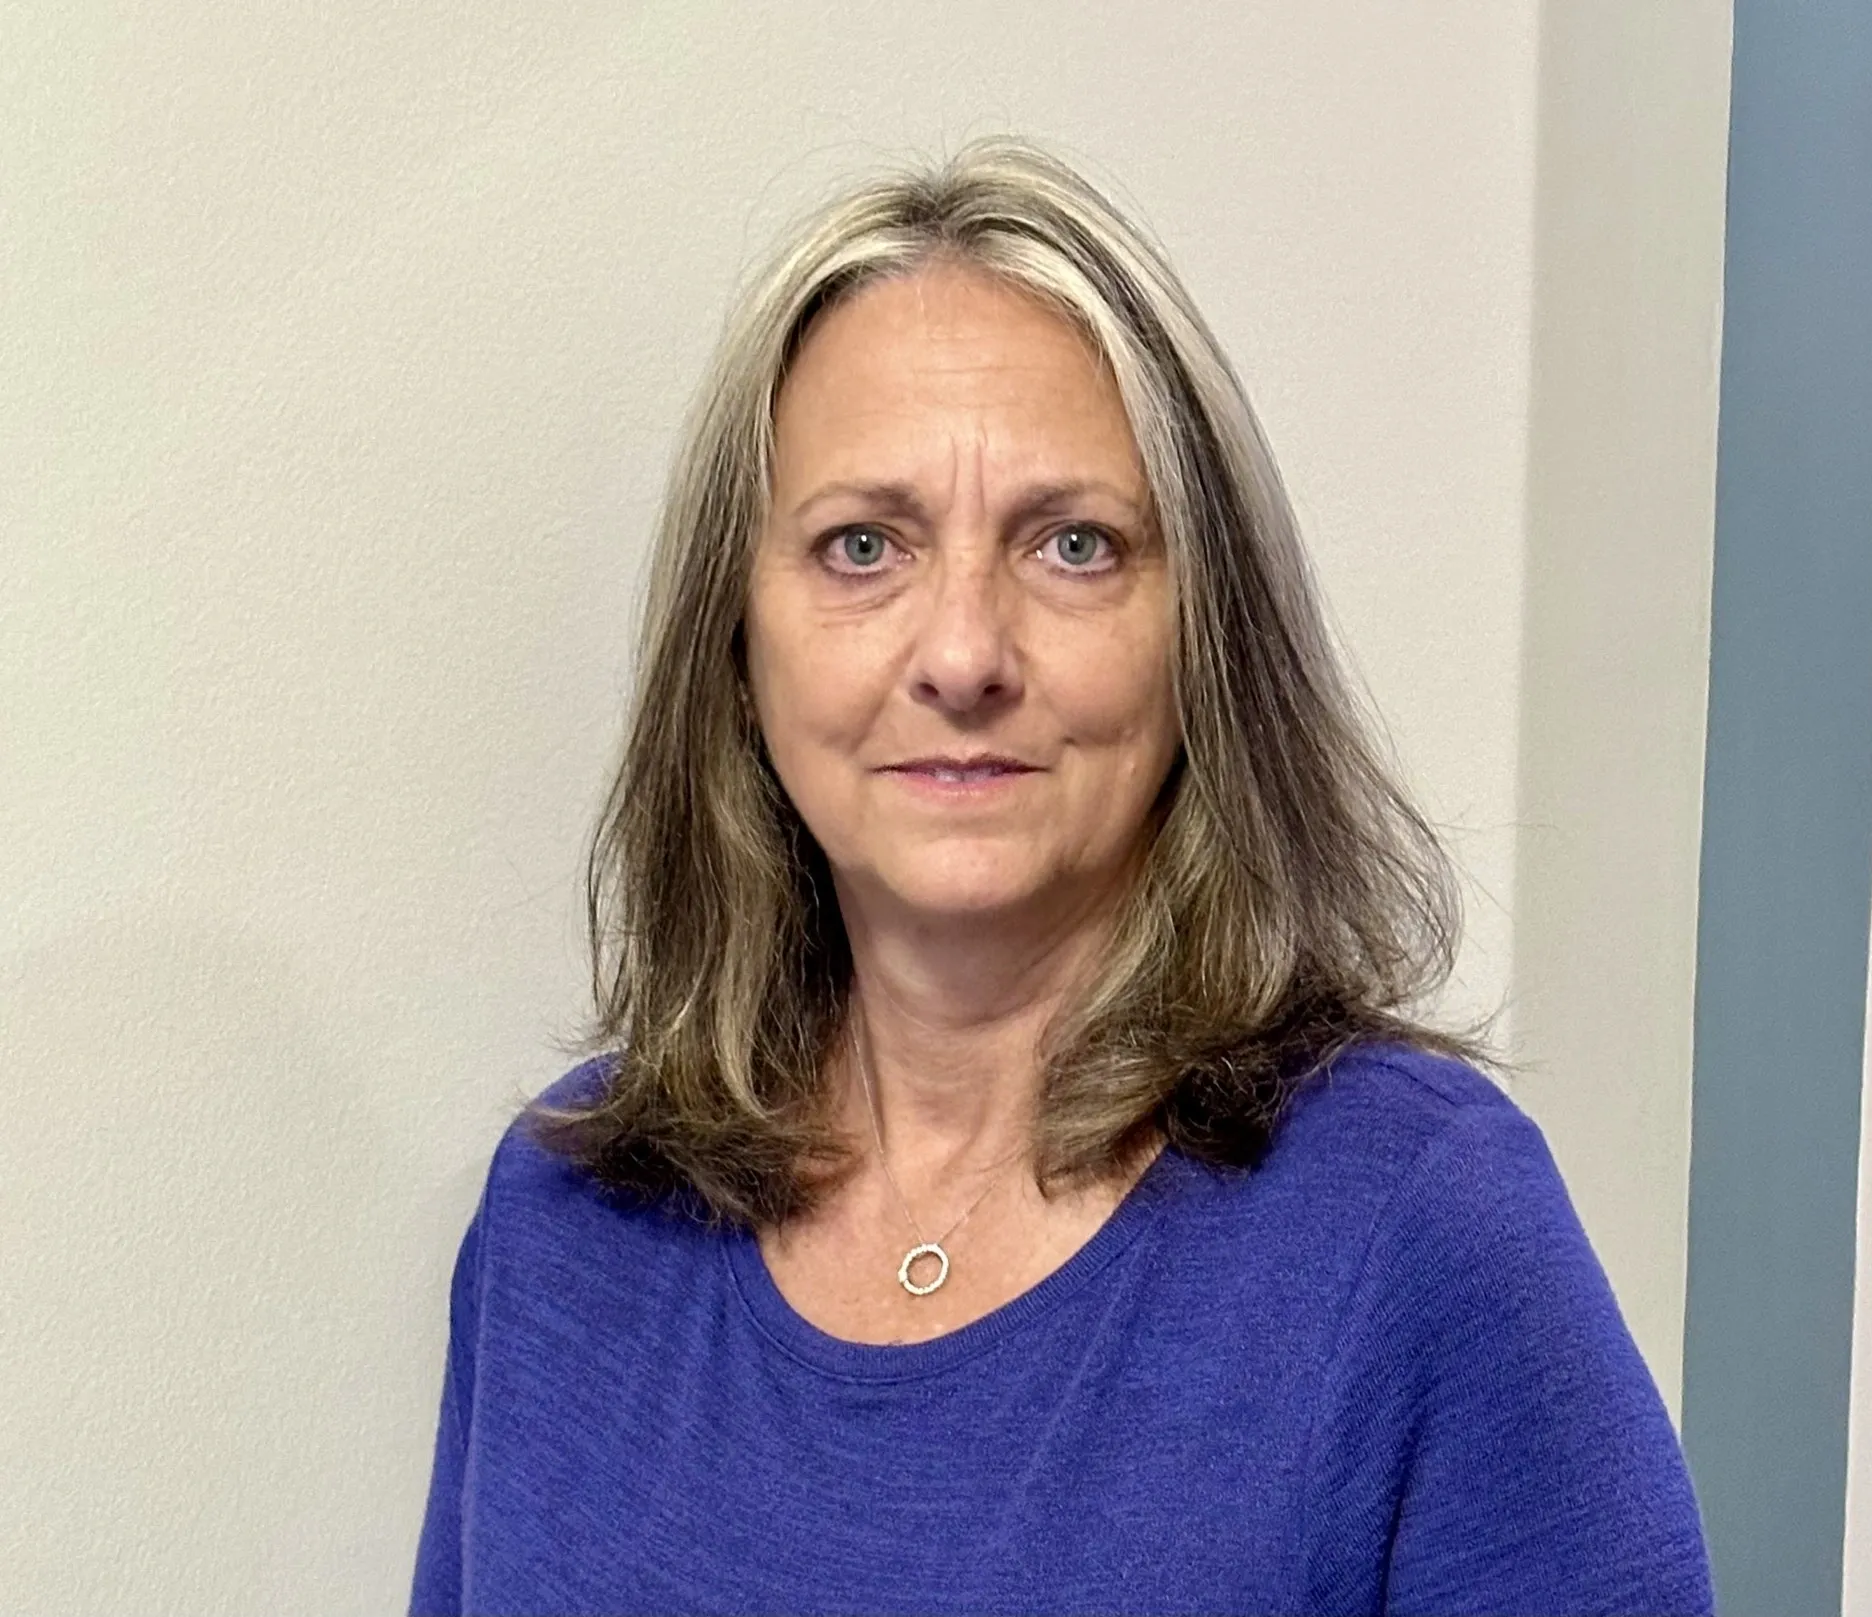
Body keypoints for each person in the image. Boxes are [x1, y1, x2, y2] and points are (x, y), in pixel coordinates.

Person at [408, 137, 1713, 1616]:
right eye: (861, 547)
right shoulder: (567, 1218)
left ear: (1203, 635)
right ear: (738, 637)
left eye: (1075, 545)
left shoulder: (1419, 1229)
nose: (964, 653)